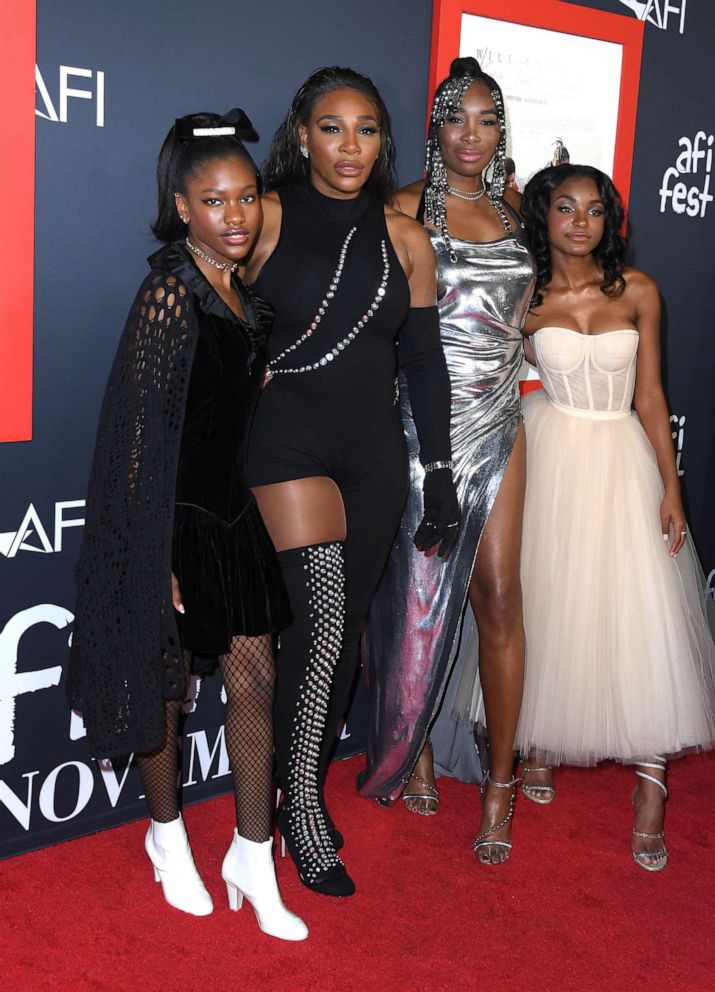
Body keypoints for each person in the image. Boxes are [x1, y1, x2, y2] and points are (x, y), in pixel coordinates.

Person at [68, 110, 307, 939]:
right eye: (215, 201)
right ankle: (167, 836)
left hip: (229, 515)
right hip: (164, 518)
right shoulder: (169, 291)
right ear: (180, 206)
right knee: (162, 690)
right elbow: (136, 430)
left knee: (253, 682)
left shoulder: (245, 294)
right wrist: (149, 553)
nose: (235, 215)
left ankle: (253, 852)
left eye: (246, 198)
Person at [245, 67, 459, 896]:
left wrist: (436, 470)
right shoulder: (261, 214)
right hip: (286, 444)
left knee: (339, 648)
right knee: (323, 623)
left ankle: (298, 779)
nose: (349, 147)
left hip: (371, 455)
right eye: (331, 128)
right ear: (302, 134)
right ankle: (300, 812)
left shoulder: (404, 239)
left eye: (366, 130)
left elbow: (425, 365)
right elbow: (202, 303)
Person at [359, 56, 536, 866]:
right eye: (457, 118)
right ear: (435, 126)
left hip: (503, 422)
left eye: (486, 119)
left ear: (500, 131)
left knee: (498, 595)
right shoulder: (397, 208)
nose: (472, 134)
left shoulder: (515, 211)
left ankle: (498, 784)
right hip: (418, 428)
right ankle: (414, 745)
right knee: (411, 597)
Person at [516, 164, 715, 871]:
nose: (579, 222)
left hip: (620, 454)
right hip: (550, 450)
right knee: (552, 601)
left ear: (610, 220)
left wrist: (671, 488)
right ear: (542, 215)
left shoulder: (637, 291)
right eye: (564, 208)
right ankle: (539, 743)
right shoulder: (525, 296)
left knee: (637, 614)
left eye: (593, 210)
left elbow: (653, 398)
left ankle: (652, 788)